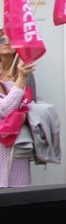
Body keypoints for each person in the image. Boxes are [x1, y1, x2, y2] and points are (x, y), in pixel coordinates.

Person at [0, 29, 36, 189]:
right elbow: (4, 110)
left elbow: (30, 104)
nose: (7, 43)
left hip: (17, 142)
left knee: (17, 196)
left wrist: (21, 78)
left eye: (10, 39)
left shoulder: (24, 71)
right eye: (2, 40)